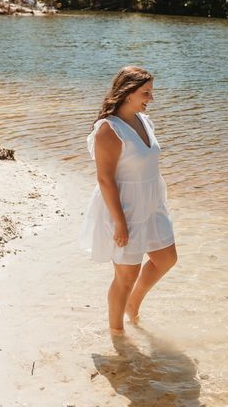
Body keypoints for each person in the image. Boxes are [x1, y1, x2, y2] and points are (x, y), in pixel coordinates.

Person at [79, 66, 177, 335]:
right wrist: (120, 223)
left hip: (152, 205)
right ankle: (117, 334)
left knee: (167, 258)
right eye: (146, 93)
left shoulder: (144, 120)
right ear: (127, 93)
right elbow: (105, 180)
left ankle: (133, 303)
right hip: (124, 210)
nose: (151, 99)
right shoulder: (109, 130)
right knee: (125, 277)